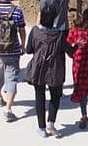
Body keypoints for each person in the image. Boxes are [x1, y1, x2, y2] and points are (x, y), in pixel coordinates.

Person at [26, 9, 69, 137]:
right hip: (55, 69)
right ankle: (51, 122)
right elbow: (68, 50)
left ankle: (42, 128)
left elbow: (29, 50)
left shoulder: (35, 32)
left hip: (38, 69)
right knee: (55, 96)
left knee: (39, 97)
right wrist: (77, 46)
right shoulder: (60, 35)